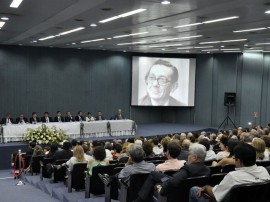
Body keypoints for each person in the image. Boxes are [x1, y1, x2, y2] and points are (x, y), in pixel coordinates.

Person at [189, 142, 270, 202]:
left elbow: (215, 194)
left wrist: (206, 187)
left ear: (238, 161)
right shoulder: (264, 171)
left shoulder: (233, 177)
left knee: (194, 189)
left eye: (235, 159)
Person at [134, 143, 210, 202]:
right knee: (154, 174)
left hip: (177, 191)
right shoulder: (207, 170)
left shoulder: (187, 169)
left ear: (195, 157)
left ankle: (139, 200)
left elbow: (173, 182)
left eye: (189, 154)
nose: (188, 156)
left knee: (153, 175)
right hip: (184, 186)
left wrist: (162, 190)